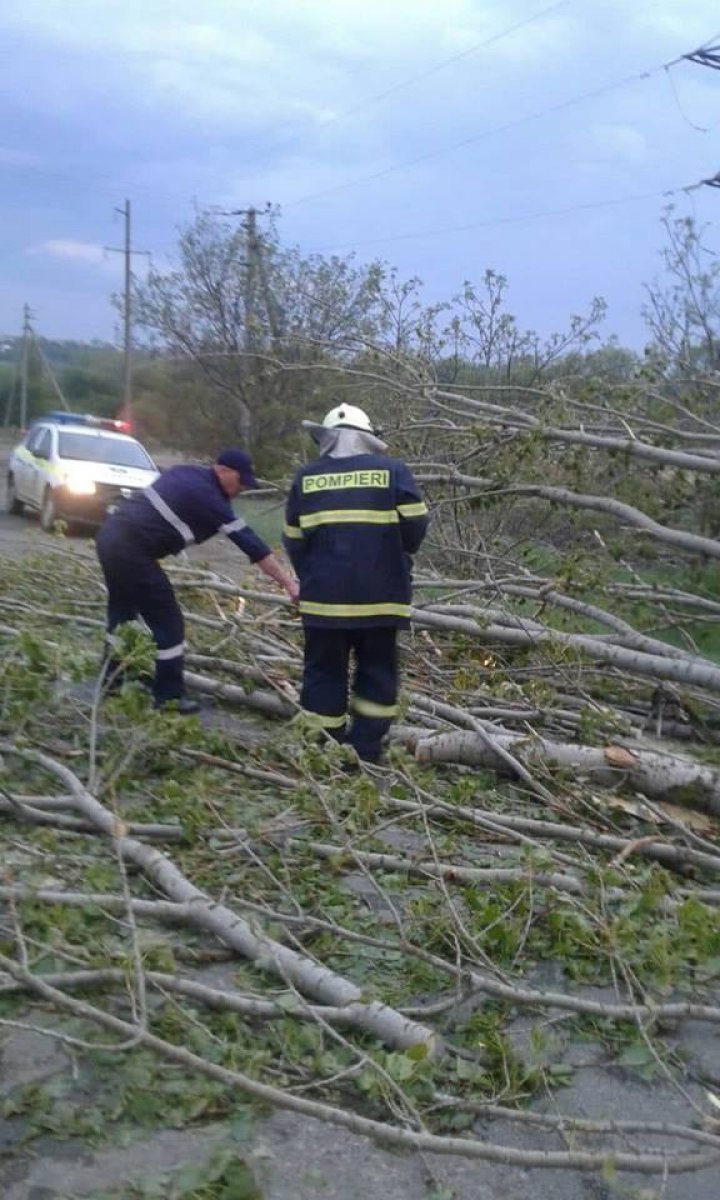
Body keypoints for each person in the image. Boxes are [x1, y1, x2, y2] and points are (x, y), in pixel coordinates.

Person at [96, 448, 299, 714]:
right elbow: (252, 545)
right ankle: (168, 698)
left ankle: (111, 680)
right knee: (169, 623)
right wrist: (290, 584)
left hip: (110, 539)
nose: (239, 490)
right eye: (240, 482)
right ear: (224, 470)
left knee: (121, 615)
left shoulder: (185, 473)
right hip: (133, 551)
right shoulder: (209, 497)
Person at [283, 404, 429, 763]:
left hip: (323, 602)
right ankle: (365, 750)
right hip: (381, 599)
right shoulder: (392, 471)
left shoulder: (306, 478)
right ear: (367, 439)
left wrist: (316, 576)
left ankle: (321, 750)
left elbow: (293, 540)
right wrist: (397, 556)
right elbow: (416, 526)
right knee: (377, 674)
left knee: (322, 673)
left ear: (327, 439)